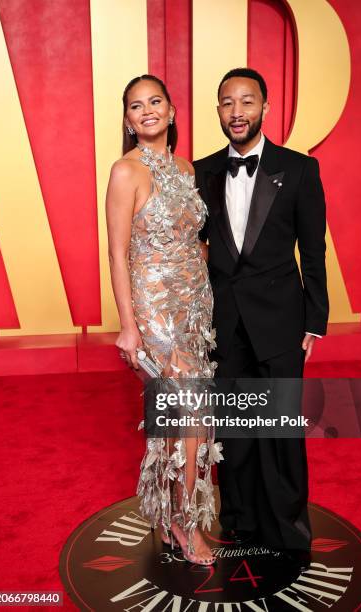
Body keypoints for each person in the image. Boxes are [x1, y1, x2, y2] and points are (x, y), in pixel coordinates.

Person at [194, 67, 329, 568]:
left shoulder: (298, 169)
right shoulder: (201, 170)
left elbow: (312, 251)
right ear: (218, 111)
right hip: (224, 320)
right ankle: (240, 520)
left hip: (280, 320)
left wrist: (314, 321)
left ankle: (289, 529)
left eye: (246, 102)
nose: (237, 112)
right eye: (227, 102)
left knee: (280, 427)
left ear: (265, 109)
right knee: (235, 427)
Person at [106, 74, 221, 566]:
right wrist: (128, 325)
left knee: (191, 417)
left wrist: (205, 295)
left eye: (155, 102)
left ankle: (179, 515)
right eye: (136, 106)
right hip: (154, 311)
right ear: (129, 121)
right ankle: (182, 522)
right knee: (189, 413)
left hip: (195, 305)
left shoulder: (185, 167)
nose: (147, 111)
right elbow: (116, 252)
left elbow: (197, 239)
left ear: (172, 111)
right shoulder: (124, 172)